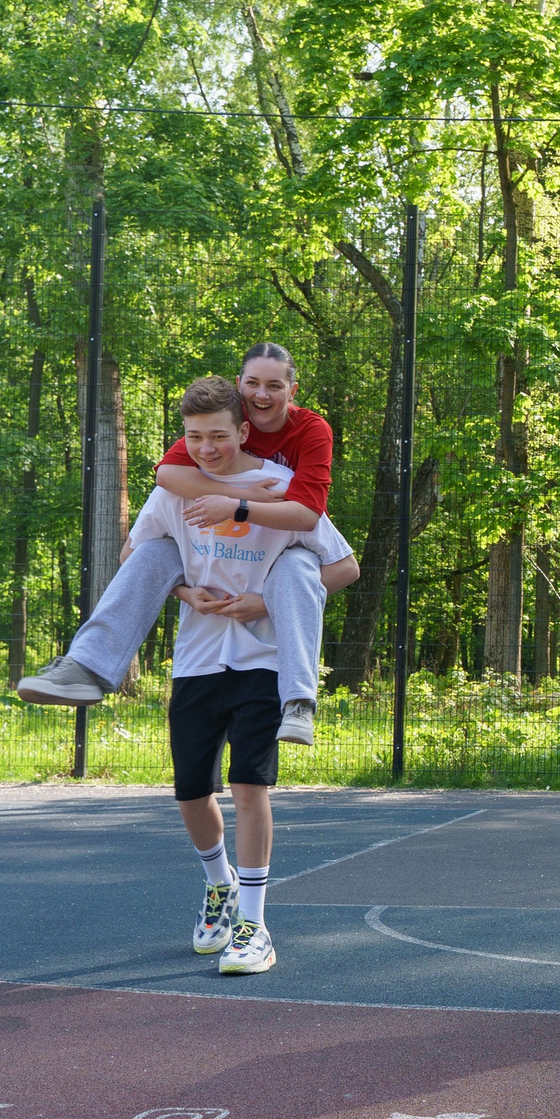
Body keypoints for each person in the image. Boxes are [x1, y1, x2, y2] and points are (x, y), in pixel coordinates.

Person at [137, 377, 356, 977]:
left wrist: (268, 602)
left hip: (262, 661)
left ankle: (255, 926)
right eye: (193, 436)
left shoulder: (281, 490)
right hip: (198, 660)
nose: (206, 447)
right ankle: (219, 886)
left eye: (217, 435)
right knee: (190, 793)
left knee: (249, 790)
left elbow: (344, 568)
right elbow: (140, 558)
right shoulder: (173, 493)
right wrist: (183, 590)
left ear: (242, 431)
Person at [18, 344, 339, 748]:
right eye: (253, 384)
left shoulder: (308, 435)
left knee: (298, 568)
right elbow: (167, 474)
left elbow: (309, 515)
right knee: (153, 551)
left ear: (292, 391)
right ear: (239, 388)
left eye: (274, 385)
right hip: (214, 557)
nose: (262, 395)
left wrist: (240, 509)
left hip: (280, 543)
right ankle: (87, 667)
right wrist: (187, 584)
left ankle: (298, 702)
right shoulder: (214, 423)